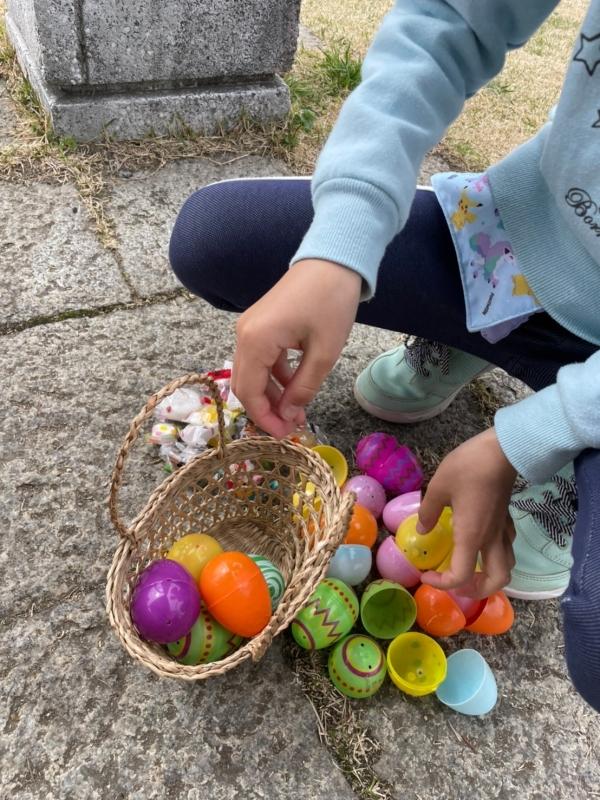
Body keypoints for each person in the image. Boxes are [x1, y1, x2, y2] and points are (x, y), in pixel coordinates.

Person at [169, 1, 600, 710]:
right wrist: (342, 242)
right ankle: (481, 326)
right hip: (514, 249)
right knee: (214, 239)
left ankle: (578, 447)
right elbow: (450, 19)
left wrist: (532, 437)